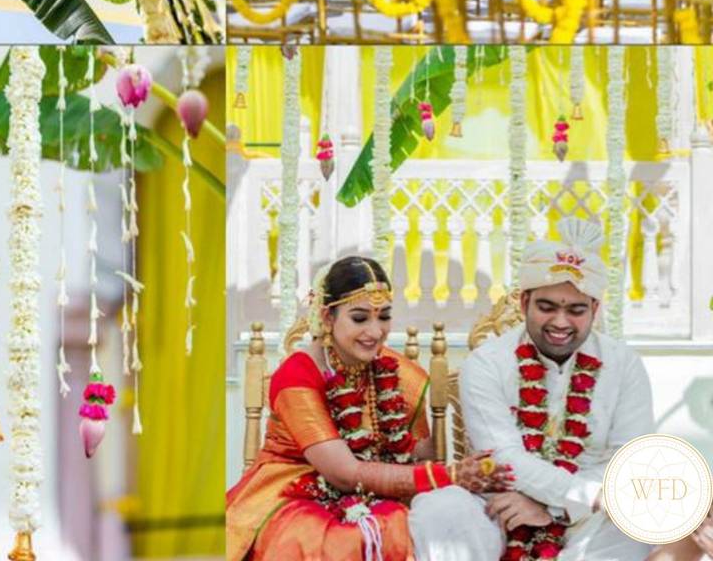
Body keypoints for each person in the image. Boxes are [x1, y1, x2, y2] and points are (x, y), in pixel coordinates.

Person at [226, 256, 514, 560]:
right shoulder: (298, 374)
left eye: (384, 316)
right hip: (293, 489)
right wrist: (450, 475)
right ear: (327, 318)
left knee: (434, 520)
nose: (375, 332)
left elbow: (417, 454)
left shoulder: (398, 372)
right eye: (360, 318)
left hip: (375, 488)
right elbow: (344, 473)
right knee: (325, 538)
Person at [409, 217, 655, 561]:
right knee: (439, 508)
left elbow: (629, 461)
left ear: (595, 311)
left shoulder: (623, 365)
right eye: (547, 307)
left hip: (591, 514)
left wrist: (557, 508)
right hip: (500, 506)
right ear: (524, 303)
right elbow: (504, 458)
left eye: (576, 310)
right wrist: (563, 498)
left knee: (639, 521)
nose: (560, 322)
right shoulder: (488, 363)